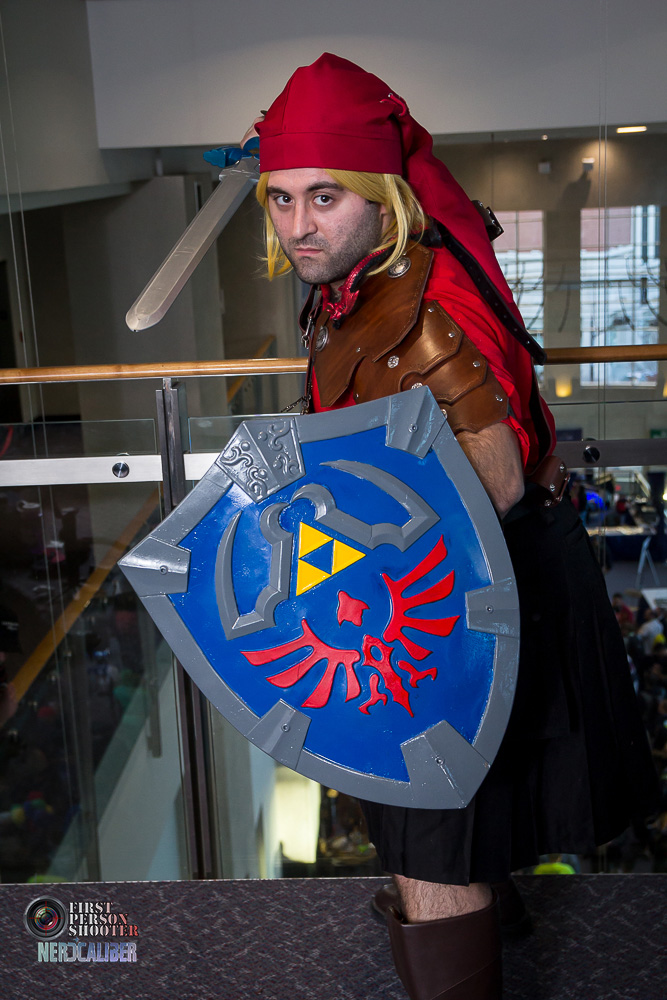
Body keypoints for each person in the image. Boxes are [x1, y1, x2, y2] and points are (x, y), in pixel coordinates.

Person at [242, 53, 659, 999]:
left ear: (382, 198)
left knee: (429, 844)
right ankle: (479, 919)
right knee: (432, 822)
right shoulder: (360, 289)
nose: (298, 225)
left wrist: (332, 535)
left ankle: (456, 929)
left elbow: (495, 481)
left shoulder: (425, 313)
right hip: (433, 588)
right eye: (281, 199)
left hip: (472, 594)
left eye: (323, 198)